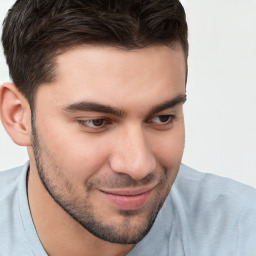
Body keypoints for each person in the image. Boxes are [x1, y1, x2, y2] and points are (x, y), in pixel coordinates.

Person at [0, 0, 255, 255]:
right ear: (17, 116)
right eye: (95, 122)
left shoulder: (245, 230)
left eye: (162, 118)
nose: (138, 166)